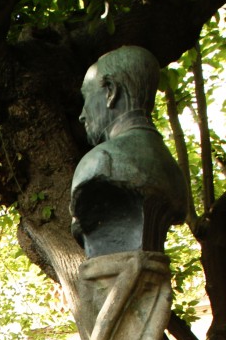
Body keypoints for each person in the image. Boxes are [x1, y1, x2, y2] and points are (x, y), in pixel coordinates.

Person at [70, 45, 187, 258]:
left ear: (110, 91)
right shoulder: (172, 169)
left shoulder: (100, 162)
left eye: (87, 98)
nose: (82, 115)